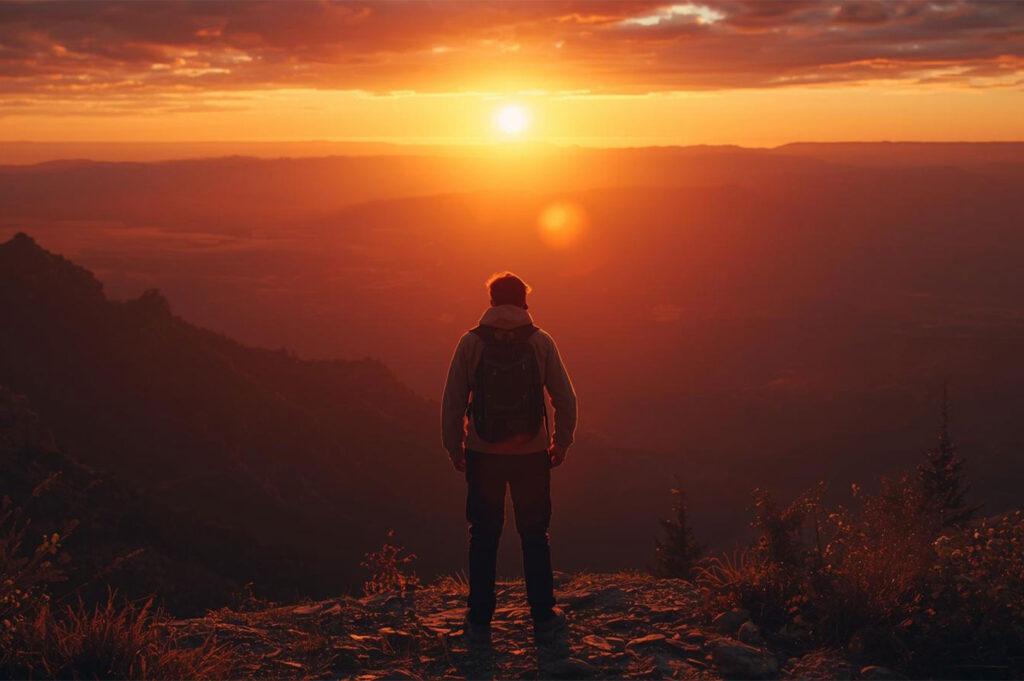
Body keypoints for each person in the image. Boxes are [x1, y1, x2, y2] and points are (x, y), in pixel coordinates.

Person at [441, 271, 578, 646]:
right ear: (523, 302)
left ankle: (480, 617)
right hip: (532, 454)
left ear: (491, 302)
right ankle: (543, 614)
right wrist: (561, 441)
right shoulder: (541, 342)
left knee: (483, 535)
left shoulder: (470, 343)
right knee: (535, 534)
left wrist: (455, 449)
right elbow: (566, 399)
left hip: (483, 454)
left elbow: (452, 403)